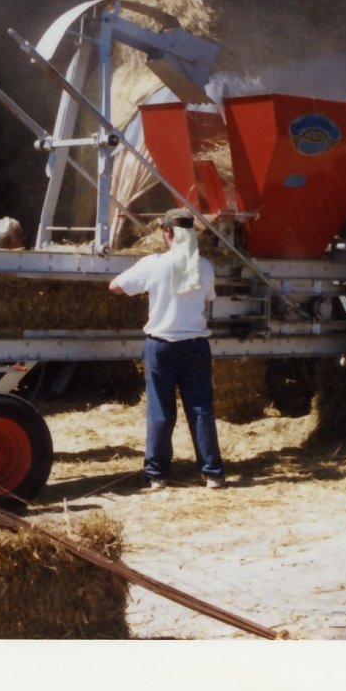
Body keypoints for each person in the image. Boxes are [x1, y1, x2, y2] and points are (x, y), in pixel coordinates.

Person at [108, 208, 225, 490]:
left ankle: (157, 474)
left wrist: (148, 291)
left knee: (161, 411)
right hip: (196, 345)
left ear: (168, 232)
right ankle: (212, 473)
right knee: (200, 409)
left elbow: (115, 287)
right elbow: (207, 298)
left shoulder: (154, 264)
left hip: (161, 346)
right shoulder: (205, 266)